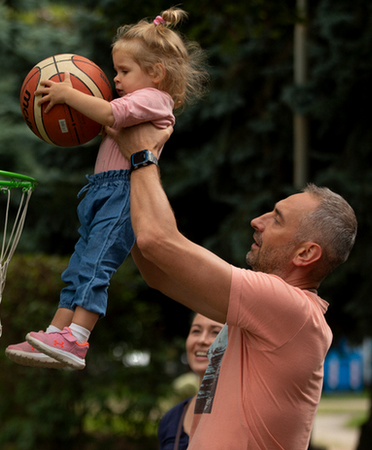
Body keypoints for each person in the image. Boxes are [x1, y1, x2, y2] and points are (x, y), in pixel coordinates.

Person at [103, 123, 358, 448]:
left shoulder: (290, 309)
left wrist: (142, 155)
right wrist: (127, 177)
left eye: (276, 218)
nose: (258, 220)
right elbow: (159, 275)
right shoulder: (264, 316)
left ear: (306, 253)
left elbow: (158, 240)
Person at [6, 6, 209, 370]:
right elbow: (110, 123)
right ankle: (56, 331)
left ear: (156, 73)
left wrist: (69, 95)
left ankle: (77, 338)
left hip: (122, 192)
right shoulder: (135, 102)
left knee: (97, 263)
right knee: (80, 264)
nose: (115, 78)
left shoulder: (153, 100)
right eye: (116, 70)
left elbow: (112, 115)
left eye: (124, 71)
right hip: (101, 190)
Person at [158, 313, 224, 450]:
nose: (202, 340)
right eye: (196, 331)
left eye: (215, 332)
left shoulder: (251, 416)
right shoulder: (171, 419)